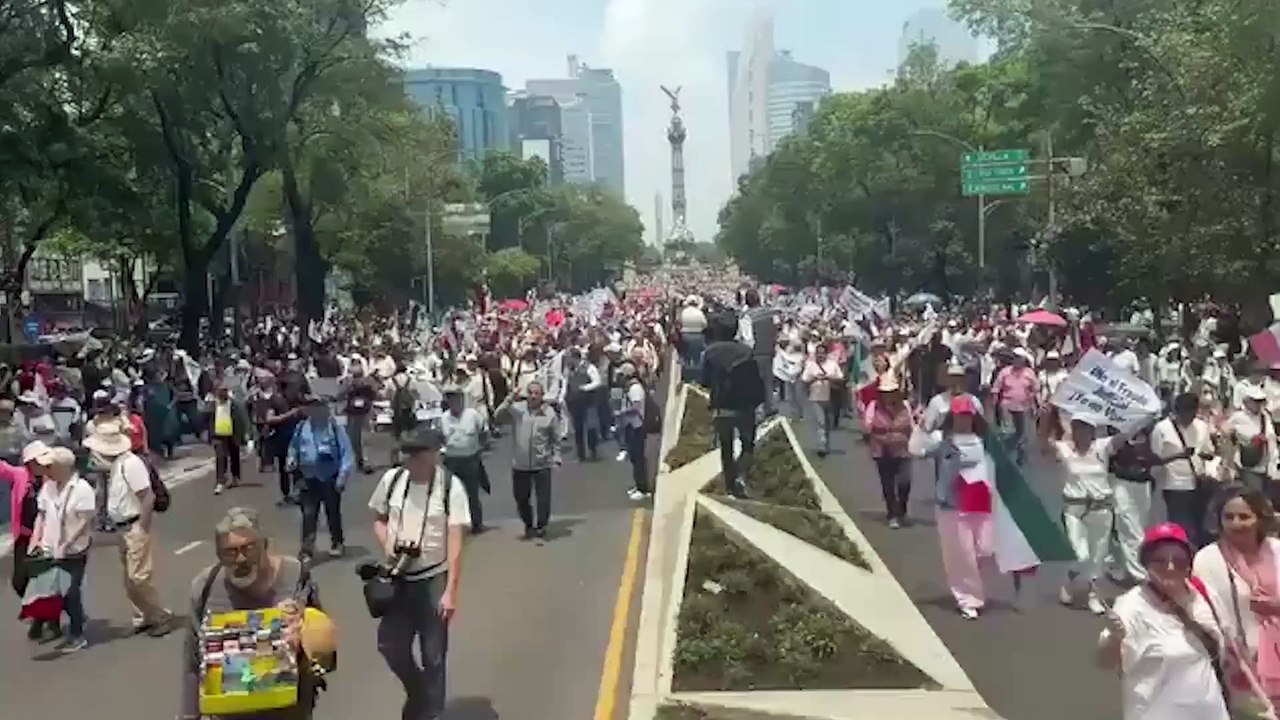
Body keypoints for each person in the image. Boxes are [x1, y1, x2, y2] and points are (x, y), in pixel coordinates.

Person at [179, 507, 330, 720]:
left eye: (248, 548)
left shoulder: (295, 578)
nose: (240, 559)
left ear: (264, 546)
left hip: (289, 711)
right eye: (230, 552)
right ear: (219, 555)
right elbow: (192, 663)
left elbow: (327, 656)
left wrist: (306, 640)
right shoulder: (205, 589)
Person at [368, 428, 469, 720]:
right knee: (390, 645)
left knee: (433, 655)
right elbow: (377, 518)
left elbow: (455, 540)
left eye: (416, 454)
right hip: (399, 578)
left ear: (431, 455)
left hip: (432, 579)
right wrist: (389, 543)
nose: (410, 460)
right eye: (407, 454)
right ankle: (418, 690)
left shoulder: (450, 487)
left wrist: (450, 590)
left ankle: (431, 713)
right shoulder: (392, 480)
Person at [1097, 523, 1231, 720]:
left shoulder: (1202, 594)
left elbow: (1226, 643)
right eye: (1160, 561)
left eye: (1179, 561)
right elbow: (1104, 661)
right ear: (1146, 563)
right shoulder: (1131, 605)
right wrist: (1115, 638)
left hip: (1210, 711)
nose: (1170, 567)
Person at [1194, 485, 1280, 714]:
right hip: (1238, 663)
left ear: (1260, 518)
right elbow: (1201, 611)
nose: (1236, 523)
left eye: (1244, 516)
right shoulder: (1207, 559)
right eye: (1228, 517)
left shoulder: (1277, 550)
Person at [86, 417, 174, 636]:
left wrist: (141, 528)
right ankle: (143, 615)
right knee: (129, 579)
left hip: (134, 526)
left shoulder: (130, 464)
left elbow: (147, 497)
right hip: (121, 528)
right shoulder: (112, 468)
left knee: (139, 577)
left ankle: (159, 615)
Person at [1055, 416, 1129, 615]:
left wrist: (1140, 414)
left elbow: (1125, 435)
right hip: (1075, 509)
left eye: (1087, 430)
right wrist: (1046, 414)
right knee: (1081, 554)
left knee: (1098, 556)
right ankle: (1070, 580)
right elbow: (1043, 443)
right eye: (1078, 429)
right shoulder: (1064, 449)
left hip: (1102, 509)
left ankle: (1093, 596)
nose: (1083, 434)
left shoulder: (1102, 448)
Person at [26, 446, 95, 652]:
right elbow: (42, 514)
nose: (46, 470)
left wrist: (68, 543)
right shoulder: (48, 488)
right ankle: (78, 616)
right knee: (52, 591)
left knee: (70, 590)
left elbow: (85, 521)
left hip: (74, 550)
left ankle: (77, 635)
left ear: (63, 467)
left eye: (50, 466)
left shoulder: (81, 489)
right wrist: (35, 538)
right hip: (50, 546)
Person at [703, 312, 763, 499]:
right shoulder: (746, 351)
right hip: (745, 407)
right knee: (747, 444)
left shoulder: (710, 353)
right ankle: (742, 475)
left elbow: (704, 381)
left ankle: (730, 487)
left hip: (721, 406)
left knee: (726, 448)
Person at [287, 395, 353, 560]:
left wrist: (342, 477)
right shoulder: (302, 427)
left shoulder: (335, 428)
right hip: (308, 477)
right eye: (312, 408)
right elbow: (293, 447)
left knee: (332, 512)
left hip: (329, 477)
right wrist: (291, 460)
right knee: (309, 514)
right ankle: (307, 548)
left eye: (318, 407)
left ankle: (337, 542)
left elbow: (347, 453)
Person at [493, 381, 561, 539]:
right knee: (521, 498)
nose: (533, 396)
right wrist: (509, 399)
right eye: (530, 393)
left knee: (543, 499)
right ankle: (528, 524)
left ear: (542, 396)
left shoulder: (549, 413)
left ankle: (542, 525)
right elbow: (498, 416)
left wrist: (556, 456)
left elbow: (556, 438)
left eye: (537, 393)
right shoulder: (517, 409)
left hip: (542, 463)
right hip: (520, 464)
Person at [1152, 392, 1218, 546]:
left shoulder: (1201, 426)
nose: (1188, 418)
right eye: (1185, 414)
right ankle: (1184, 551)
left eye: (1191, 413)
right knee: (1182, 523)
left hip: (1199, 482)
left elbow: (1208, 451)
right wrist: (1178, 456)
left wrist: (1207, 455)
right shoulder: (1162, 429)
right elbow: (1154, 460)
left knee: (1200, 523)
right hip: (1173, 484)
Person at [864, 375, 915, 529]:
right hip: (882, 450)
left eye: (891, 392)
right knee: (888, 483)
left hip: (903, 449)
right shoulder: (874, 406)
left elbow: (912, 424)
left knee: (905, 481)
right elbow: (867, 425)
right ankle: (892, 513)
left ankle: (902, 509)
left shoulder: (905, 405)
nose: (888, 395)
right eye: (885, 392)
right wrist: (880, 430)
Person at [440, 385, 488, 534]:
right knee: (450, 495)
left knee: (472, 494)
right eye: (450, 398)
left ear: (462, 399)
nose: (453, 401)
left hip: (470, 459)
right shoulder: (443, 418)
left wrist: (480, 447)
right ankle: (453, 525)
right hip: (451, 461)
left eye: (456, 397)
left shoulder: (473, 415)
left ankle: (476, 524)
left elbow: (484, 432)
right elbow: (440, 437)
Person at [615, 362, 652, 501]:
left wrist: (621, 412)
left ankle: (643, 489)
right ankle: (639, 485)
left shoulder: (635, 388)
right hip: (632, 425)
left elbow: (636, 406)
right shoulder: (630, 387)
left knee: (638, 458)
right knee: (634, 457)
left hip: (637, 426)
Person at [800, 342, 844, 457]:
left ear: (826, 354)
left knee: (828, 423)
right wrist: (814, 378)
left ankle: (826, 443)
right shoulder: (810, 365)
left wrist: (829, 378)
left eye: (822, 353)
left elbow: (840, 379)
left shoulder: (832, 364)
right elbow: (804, 379)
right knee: (820, 422)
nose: (820, 356)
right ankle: (821, 446)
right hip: (815, 397)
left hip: (830, 397)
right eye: (818, 354)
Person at [209, 382, 250, 495]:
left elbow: (243, 419)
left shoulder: (235, 404)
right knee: (220, 457)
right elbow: (205, 417)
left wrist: (246, 433)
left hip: (232, 433)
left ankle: (235, 476)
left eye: (225, 390)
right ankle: (220, 481)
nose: (223, 392)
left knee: (234, 456)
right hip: (218, 435)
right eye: (221, 390)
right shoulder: (213, 405)